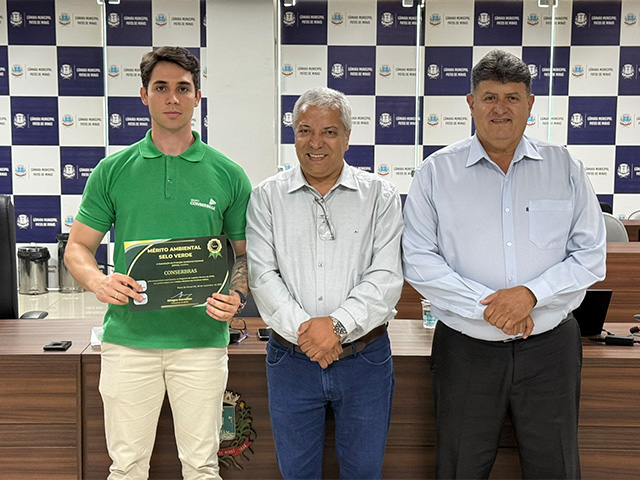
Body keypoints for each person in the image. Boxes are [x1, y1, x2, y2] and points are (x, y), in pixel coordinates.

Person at [402, 49, 606, 479]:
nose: (501, 108)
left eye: (512, 97)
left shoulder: (565, 167)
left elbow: (589, 254)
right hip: (466, 348)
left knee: (556, 468)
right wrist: (491, 307)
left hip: (550, 349)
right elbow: (418, 259)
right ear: (471, 103)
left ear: (530, 104)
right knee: (459, 467)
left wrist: (530, 296)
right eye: (490, 97)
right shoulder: (436, 172)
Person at [64, 46, 252, 480]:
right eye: (161, 88)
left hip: (201, 342)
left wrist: (236, 294)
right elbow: (77, 249)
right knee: (127, 468)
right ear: (143, 95)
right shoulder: (113, 171)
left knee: (202, 467)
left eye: (183, 89)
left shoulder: (228, 174)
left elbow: (244, 255)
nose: (172, 98)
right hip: (128, 341)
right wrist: (99, 282)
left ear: (197, 96)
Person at [246, 87, 403, 479]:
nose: (315, 142)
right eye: (305, 131)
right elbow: (262, 276)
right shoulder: (267, 197)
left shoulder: (380, 196)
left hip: (365, 359)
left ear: (347, 137)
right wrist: (310, 334)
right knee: (296, 474)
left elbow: (385, 277)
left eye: (329, 132)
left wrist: (335, 327)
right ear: (294, 135)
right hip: (291, 361)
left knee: (364, 473)